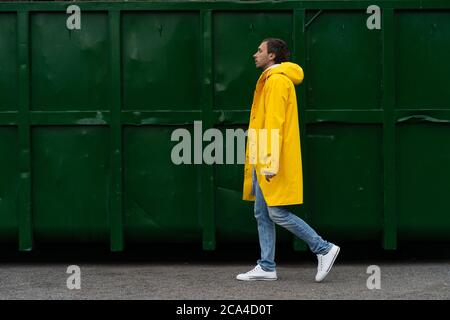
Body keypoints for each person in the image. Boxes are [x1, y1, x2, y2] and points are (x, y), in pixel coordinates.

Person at [237, 38, 340, 282]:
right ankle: (267, 266)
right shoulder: (272, 80)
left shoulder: (276, 81)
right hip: (263, 154)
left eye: (259, 50)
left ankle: (323, 248)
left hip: (269, 157)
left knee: (276, 213)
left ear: (272, 56)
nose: (255, 54)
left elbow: (274, 123)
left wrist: (269, 161)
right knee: (262, 213)